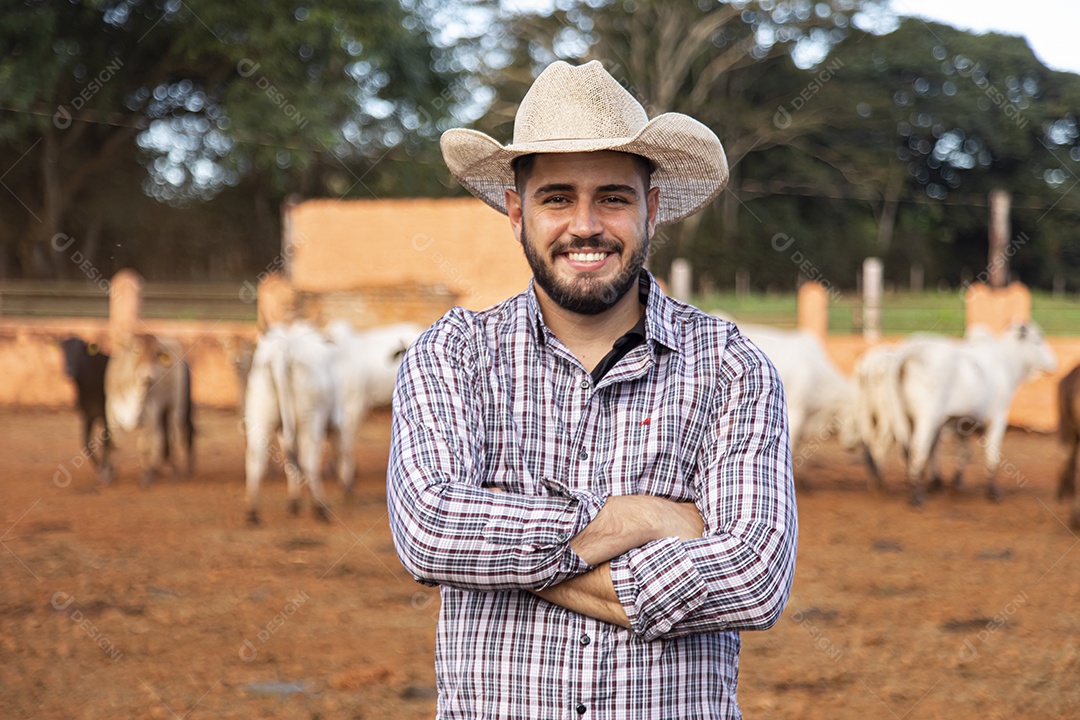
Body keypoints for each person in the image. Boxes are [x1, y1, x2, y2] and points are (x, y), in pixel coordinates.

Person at [387, 59, 797, 719]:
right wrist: (642, 519)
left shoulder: (730, 367)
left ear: (651, 208)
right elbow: (430, 531)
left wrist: (506, 553)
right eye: (556, 198)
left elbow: (755, 578)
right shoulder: (455, 354)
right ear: (516, 211)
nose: (585, 225)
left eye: (612, 196)